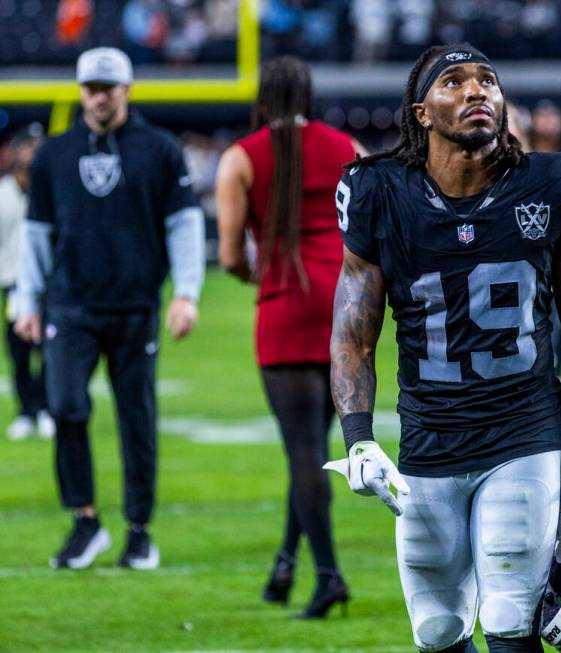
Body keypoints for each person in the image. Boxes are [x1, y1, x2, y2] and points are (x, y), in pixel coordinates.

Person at [327, 44, 561, 653]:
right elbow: (354, 329)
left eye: (487, 80)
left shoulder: (555, 181)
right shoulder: (378, 189)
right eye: (453, 82)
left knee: (511, 616)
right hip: (428, 437)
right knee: (436, 629)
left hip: (521, 432)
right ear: (421, 112)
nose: (476, 90)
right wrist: (358, 438)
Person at [14, 47, 205, 570]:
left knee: (136, 421)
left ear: (127, 88)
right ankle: (85, 521)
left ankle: (139, 531)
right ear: (80, 90)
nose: (100, 96)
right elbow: (35, 234)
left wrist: (186, 293)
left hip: (135, 306)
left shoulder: (160, 149)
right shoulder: (54, 153)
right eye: (91, 87)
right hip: (69, 306)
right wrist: (25, 299)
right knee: (66, 405)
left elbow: (184, 225)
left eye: (109, 87)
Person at [215, 56, 365, 617]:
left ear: (262, 98)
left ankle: (327, 577)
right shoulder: (347, 146)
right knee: (310, 447)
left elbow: (231, 254)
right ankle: (285, 562)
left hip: (284, 302)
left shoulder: (241, 158)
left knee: (301, 451)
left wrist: (260, 276)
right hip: (343, 307)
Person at [1, 125, 54, 441]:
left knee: (48, 349)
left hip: (47, 283)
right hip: (12, 283)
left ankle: (46, 408)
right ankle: (26, 411)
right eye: (28, 146)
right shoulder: (4, 193)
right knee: (18, 351)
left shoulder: (49, 191)